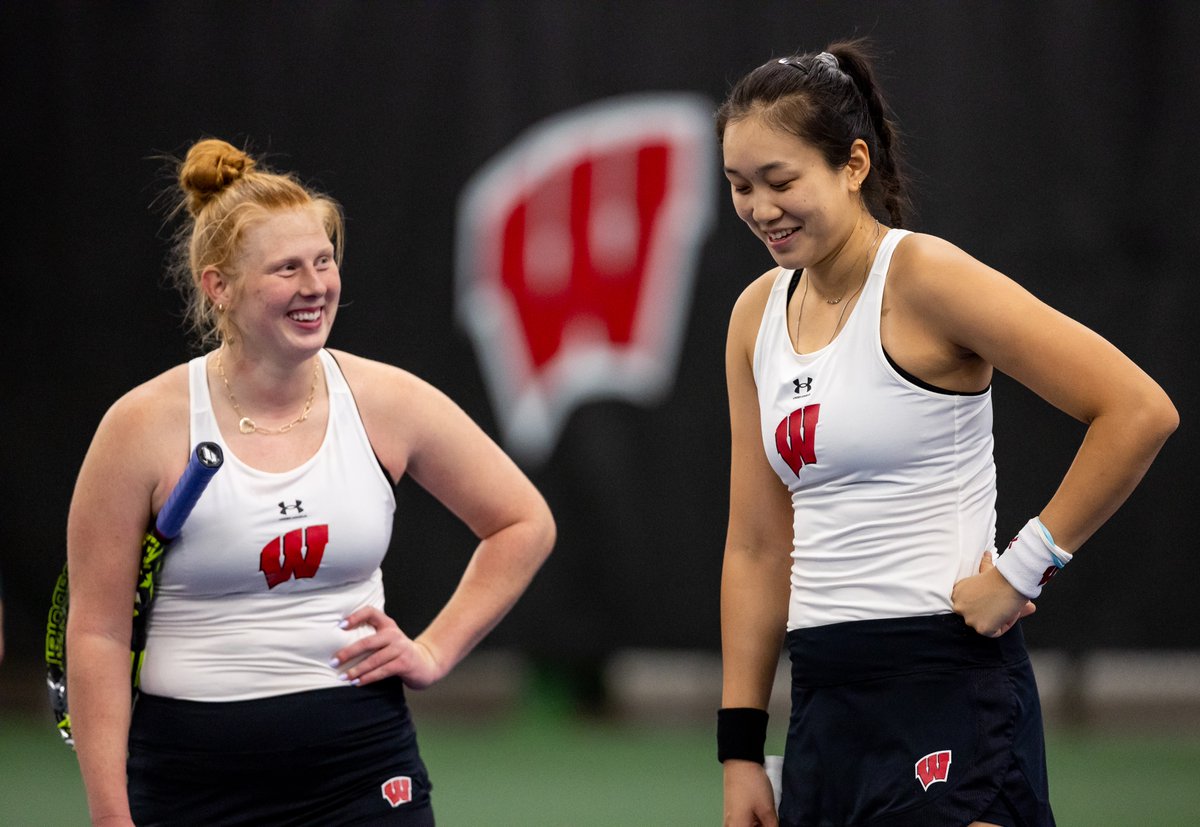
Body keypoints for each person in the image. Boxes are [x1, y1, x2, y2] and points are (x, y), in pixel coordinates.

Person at [715, 40, 1177, 827]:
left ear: (853, 165)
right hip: (826, 709)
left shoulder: (925, 277)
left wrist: (1025, 567)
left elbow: (1137, 409)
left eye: (781, 180)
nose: (761, 207)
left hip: (950, 692)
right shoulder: (755, 315)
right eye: (738, 185)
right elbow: (757, 545)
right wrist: (739, 751)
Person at [65, 138, 556, 826]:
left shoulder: (387, 400)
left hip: (362, 766)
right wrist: (110, 814)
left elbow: (522, 522)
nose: (315, 285)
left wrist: (435, 650)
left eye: (324, 260)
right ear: (219, 287)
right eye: (286, 268)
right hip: (187, 781)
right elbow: (97, 632)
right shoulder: (141, 426)